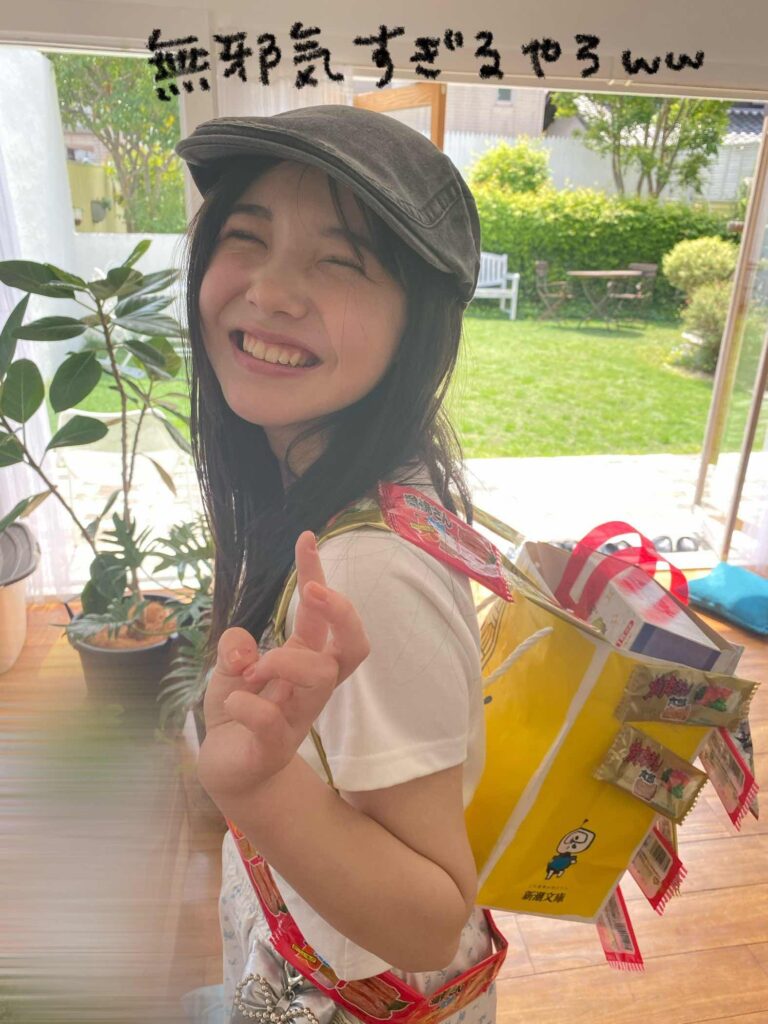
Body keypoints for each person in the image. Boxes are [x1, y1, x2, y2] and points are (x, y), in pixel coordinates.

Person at [175, 104, 498, 1024]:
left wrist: (256, 786)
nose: (271, 291)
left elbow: (433, 920)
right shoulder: (343, 485)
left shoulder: (361, 570)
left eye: (340, 260)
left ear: (416, 325)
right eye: (246, 237)